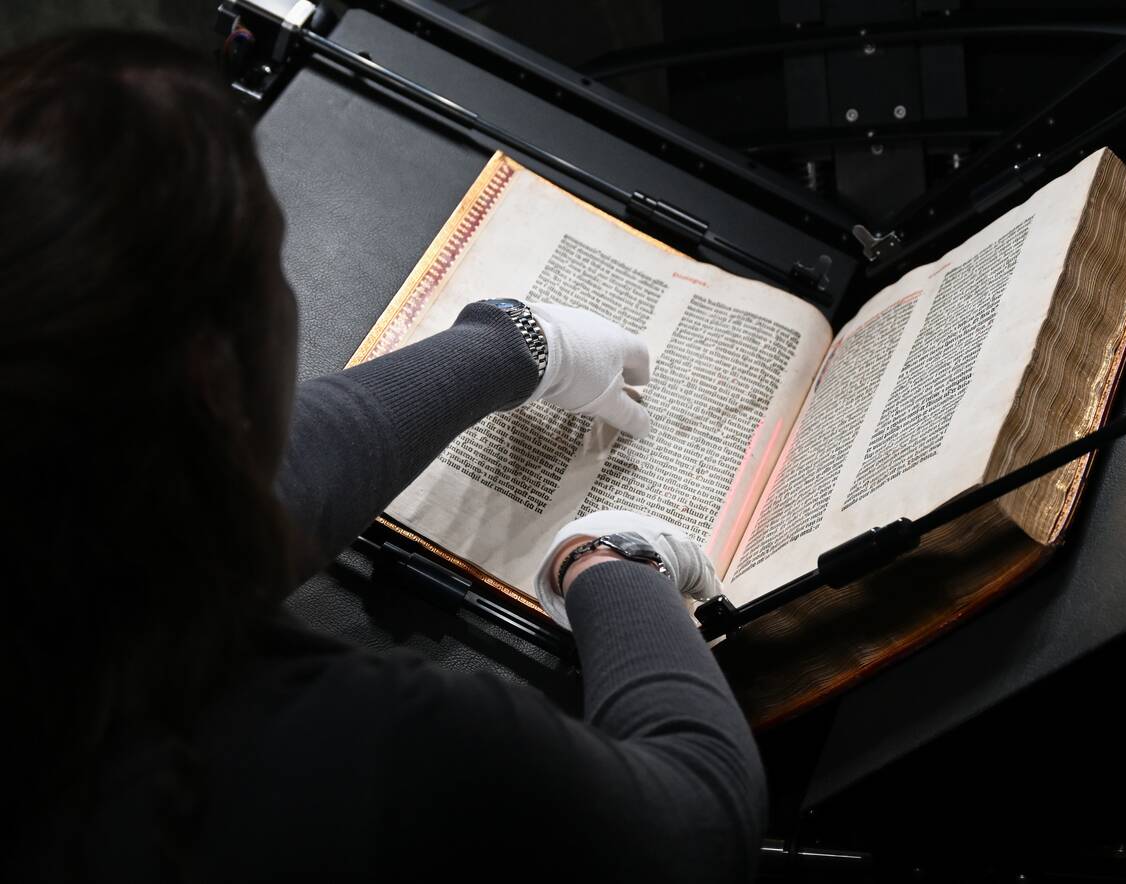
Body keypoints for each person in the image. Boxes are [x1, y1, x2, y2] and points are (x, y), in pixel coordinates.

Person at [0, 31, 766, 882]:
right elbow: (700, 821)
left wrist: (511, 344)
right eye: (271, 267)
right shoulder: (335, 753)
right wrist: (612, 565)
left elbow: (217, 506)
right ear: (216, 377)